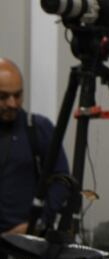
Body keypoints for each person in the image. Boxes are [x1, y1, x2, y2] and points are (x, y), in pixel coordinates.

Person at [0, 58, 69, 235]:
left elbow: (62, 181)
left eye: (18, 95)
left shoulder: (39, 129)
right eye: (3, 96)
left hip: (24, 243)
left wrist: (37, 223)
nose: (12, 104)